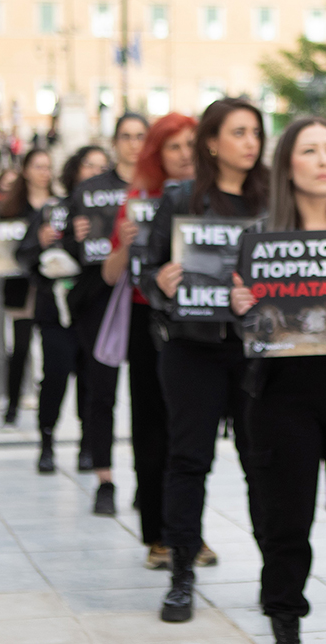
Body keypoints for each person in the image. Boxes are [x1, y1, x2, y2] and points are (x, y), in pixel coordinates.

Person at [231, 117, 326, 644]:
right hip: (281, 395)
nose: (323, 161)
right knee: (284, 524)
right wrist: (241, 307)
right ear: (286, 165)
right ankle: (285, 625)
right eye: (310, 150)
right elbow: (250, 330)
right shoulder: (258, 238)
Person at [141, 97, 269, 624]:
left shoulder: (272, 202)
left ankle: (275, 574)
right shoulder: (180, 199)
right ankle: (181, 578)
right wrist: (161, 283)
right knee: (189, 461)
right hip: (192, 348)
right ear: (211, 143)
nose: (251, 142)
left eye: (256, 132)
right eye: (239, 132)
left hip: (254, 352)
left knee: (262, 465)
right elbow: (146, 275)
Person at [100, 112, 197, 570]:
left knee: (192, 435)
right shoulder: (137, 200)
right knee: (151, 427)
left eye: (191, 146)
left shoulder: (210, 199)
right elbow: (110, 273)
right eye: (173, 147)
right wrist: (122, 242)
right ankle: (158, 535)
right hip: (147, 321)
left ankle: (189, 534)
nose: (183, 155)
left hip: (201, 323)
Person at [64, 113, 147, 513]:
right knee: (102, 391)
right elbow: (71, 243)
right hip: (99, 297)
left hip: (147, 301)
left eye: (140, 136)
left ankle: (146, 478)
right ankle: (105, 478)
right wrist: (74, 236)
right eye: (126, 136)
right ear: (115, 142)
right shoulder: (90, 189)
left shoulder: (160, 188)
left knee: (148, 395)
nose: (133, 144)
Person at [18, 145, 107, 473]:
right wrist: (52, 241)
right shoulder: (52, 211)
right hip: (55, 310)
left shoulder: (114, 211)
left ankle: (88, 445)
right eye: (89, 165)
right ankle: (46, 441)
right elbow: (25, 257)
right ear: (74, 170)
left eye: (102, 166)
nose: (96, 172)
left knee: (91, 379)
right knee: (55, 374)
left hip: (95, 307)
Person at [0, 150, 54, 428]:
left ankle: (44, 403)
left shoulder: (59, 206)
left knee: (50, 350)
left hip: (51, 284)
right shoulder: (12, 208)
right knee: (19, 346)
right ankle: (12, 402)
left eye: (48, 167)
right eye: (39, 166)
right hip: (21, 285)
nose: (44, 172)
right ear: (27, 170)